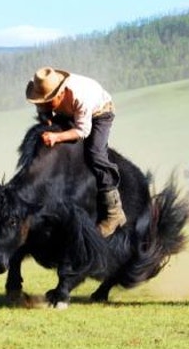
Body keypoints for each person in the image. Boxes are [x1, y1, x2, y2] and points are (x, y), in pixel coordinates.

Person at [25, 66, 124, 237]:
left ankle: (114, 212)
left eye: (48, 101)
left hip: (100, 113)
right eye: (42, 102)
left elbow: (82, 131)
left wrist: (56, 137)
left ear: (60, 93)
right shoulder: (45, 93)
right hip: (70, 113)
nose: (45, 105)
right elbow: (45, 111)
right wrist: (46, 120)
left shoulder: (80, 96)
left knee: (95, 153)